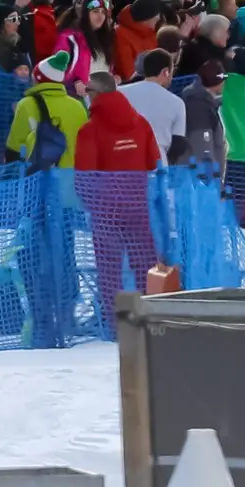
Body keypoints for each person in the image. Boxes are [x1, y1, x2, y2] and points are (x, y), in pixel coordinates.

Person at [74, 76, 162, 323]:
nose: (85, 93)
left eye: (88, 89)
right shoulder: (141, 123)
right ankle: (149, 316)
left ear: (97, 93)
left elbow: (85, 175)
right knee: (145, 262)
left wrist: (92, 205)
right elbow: (152, 162)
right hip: (138, 205)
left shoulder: (89, 130)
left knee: (109, 269)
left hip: (106, 210)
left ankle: (114, 323)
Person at [6, 50, 90, 168]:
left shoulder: (26, 105)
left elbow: (14, 147)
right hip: (73, 177)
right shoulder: (78, 107)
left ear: (38, 78)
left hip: (38, 178)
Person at [122, 49, 187, 164]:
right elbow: (178, 145)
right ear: (165, 72)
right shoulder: (177, 103)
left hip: (121, 159)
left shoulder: (119, 93)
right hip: (157, 163)